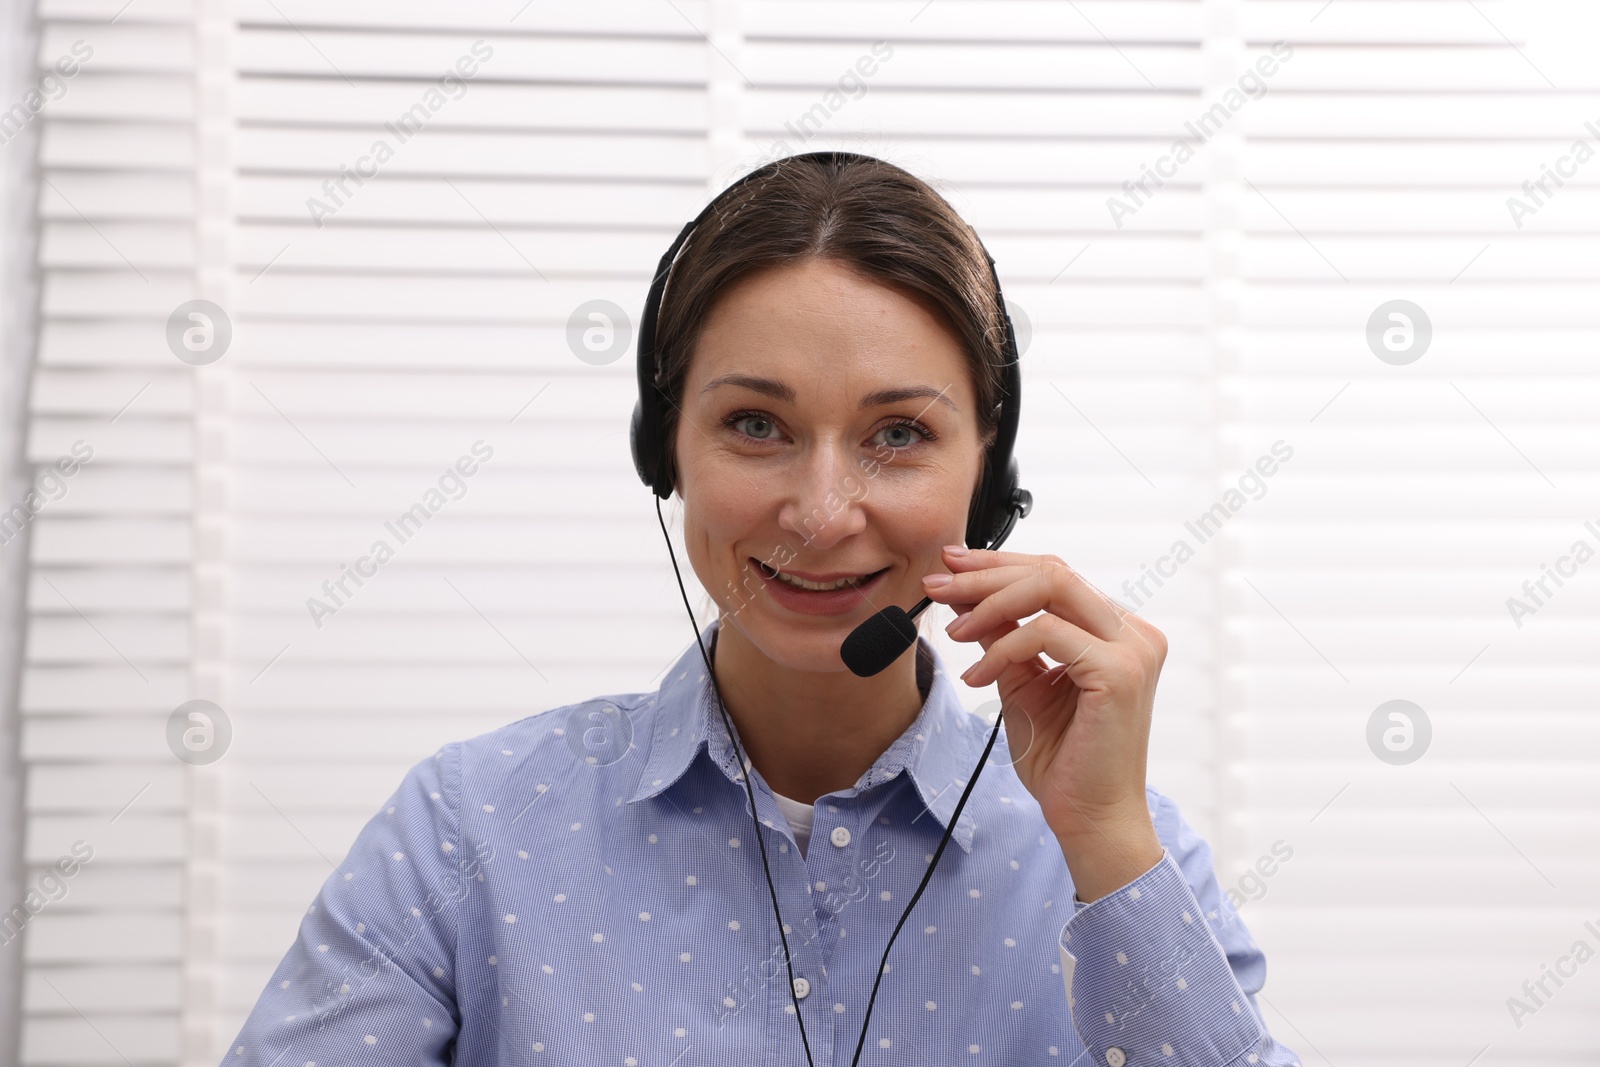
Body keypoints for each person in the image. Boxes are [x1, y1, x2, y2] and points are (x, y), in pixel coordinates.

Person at [222, 153, 1302, 1066]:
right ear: (665, 450)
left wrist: (1105, 839)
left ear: (989, 476)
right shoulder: (470, 830)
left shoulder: (1120, 854)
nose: (823, 513)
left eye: (897, 436)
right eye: (754, 423)